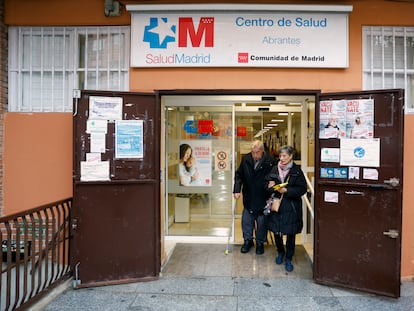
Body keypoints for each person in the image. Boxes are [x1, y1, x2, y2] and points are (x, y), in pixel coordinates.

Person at [265, 145, 307, 272]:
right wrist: (270, 186)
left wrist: (287, 190)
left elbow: (302, 189)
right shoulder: (274, 169)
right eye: (280, 156)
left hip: (291, 207)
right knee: (277, 232)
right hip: (277, 206)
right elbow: (265, 186)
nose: (281, 158)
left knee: (290, 234)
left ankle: (289, 258)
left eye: (284, 156)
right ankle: (280, 252)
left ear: (290, 156)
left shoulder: (297, 171)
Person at [233, 140, 276, 255]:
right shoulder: (246, 159)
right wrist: (237, 189)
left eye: (257, 152)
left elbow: (275, 176)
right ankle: (248, 241)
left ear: (262, 151)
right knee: (247, 220)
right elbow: (239, 175)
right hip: (249, 195)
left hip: (264, 196)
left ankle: (260, 242)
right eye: (253, 152)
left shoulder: (270, 160)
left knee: (262, 221)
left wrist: (273, 182)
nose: (255, 155)